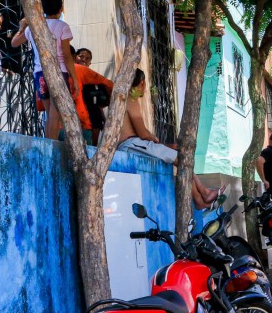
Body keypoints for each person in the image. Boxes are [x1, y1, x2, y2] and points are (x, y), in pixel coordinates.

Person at [118, 69, 220, 209]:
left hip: (134, 144)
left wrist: (162, 144)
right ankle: (202, 194)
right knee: (182, 159)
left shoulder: (123, 98)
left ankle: (202, 195)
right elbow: (143, 134)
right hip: (131, 144)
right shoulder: (130, 99)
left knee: (181, 158)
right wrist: (156, 139)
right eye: (145, 84)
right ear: (141, 83)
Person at [11, 0, 78, 140]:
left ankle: (49, 146)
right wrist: (75, 79)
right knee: (55, 116)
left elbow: (14, 42)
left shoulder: (34, 28)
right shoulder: (63, 27)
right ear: (61, 8)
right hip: (59, 73)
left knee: (50, 115)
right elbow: (67, 57)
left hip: (39, 74)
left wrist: (22, 26)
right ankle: (52, 150)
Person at [72, 47, 113, 146]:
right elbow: (110, 84)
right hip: (77, 120)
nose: (84, 60)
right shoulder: (72, 71)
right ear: (74, 57)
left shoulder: (93, 80)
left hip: (92, 121)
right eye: (81, 56)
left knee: (92, 148)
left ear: (90, 63)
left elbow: (99, 103)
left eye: (87, 58)